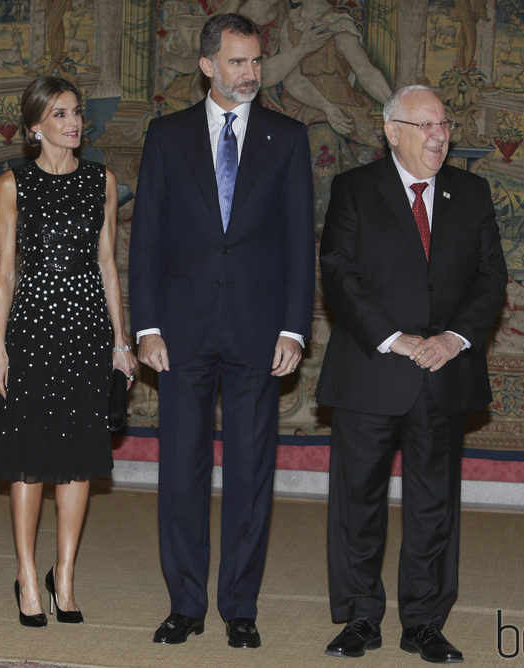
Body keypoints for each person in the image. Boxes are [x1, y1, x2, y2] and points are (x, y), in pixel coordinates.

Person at [129, 13, 314, 649]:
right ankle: (185, 604)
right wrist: (145, 327)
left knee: (249, 473)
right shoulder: (167, 135)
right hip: (179, 334)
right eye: (238, 62)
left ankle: (240, 606)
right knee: (180, 471)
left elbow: (298, 244)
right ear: (207, 65)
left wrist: (294, 329)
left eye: (257, 61)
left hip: (260, 334)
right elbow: (146, 238)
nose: (252, 74)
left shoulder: (287, 138)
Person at [317, 84, 507, 662]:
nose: (438, 135)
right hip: (373, 367)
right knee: (358, 500)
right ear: (390, 131)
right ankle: (359, 618)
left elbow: (490, 278)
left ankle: (424, 622)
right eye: (424, 125)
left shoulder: (472, 194)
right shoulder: (354, 190)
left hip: (443, 372)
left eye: (444, 124)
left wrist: (452, 339)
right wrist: (394, 338)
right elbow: (339, 274)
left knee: (433, 504)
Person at [0, 76, 137, 628]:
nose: (73, 123)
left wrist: (121, 342)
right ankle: (27, 575)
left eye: (76, 113)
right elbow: (5, 272)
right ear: (34, 127)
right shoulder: (13, 184)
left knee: (77, 459)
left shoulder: (102, 180)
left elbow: (107, 265)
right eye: (59, 114)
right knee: (28, 458)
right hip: (29, 330)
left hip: (86, 331)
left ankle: (64, 575)